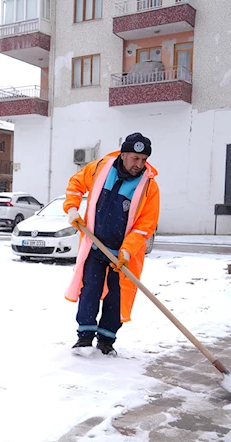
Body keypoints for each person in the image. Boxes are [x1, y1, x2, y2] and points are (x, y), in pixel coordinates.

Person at [63, 133, 160, 357]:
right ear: (123, 154)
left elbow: (145, 225)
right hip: (95, 246)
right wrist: (72, 208)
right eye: (135, 158)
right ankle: (84, 338)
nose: (139, 164)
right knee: (90, 291)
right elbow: (75, 184)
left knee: (117, 297)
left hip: (123, 254)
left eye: (144, 159)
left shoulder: (149, 186)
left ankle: (106, 341)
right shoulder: (101, 168)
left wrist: (126, 251)